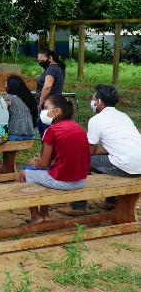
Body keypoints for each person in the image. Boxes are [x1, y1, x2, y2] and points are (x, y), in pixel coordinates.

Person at [59, 85, 141, 216]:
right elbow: (113, 148)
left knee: (79, 161)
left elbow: (89, 152)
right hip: (138, 163)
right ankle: (112, 200)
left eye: (93, 98)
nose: (92, 102)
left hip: (126, 165)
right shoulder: (124, 116)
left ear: (98, 101)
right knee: (109, 159)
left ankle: (78, 205)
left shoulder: (96, 120)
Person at [19, 95, 90, 224]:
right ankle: (45, 215)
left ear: (56, 111)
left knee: (23, 174)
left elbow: (43, 164)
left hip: (64, 181)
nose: (43, 111)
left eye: (46, 108)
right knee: (46, 171)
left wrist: (36, 162)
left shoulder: (52, 130)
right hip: (81, 180)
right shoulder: (77, 127)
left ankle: (36, 216)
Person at [2, 75, 38, 173]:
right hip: (30, 135)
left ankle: (2, 165)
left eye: (6, 83)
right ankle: (6, 167)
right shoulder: (29, 97)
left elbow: (1, 110)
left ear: (11, 86)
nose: (5, 85)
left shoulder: (9, 98)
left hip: (15, 135)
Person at [35, 49, 66, 139]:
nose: (40, 63)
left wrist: (41, 100)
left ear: (50, 58)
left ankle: (47, 152)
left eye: (42, 60)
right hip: (56, 102)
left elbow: (47, 86)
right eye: (39, 61)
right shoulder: (59, 68)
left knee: (46, 131)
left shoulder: (51, 69)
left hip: (47, 104)